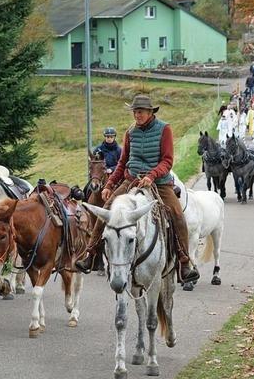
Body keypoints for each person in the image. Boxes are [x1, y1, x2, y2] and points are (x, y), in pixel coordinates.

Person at [83, 95, 199, 284]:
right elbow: (122, 163)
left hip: (159, 182)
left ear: (150, 112)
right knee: (108, 209)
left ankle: (184, 262)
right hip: (131, 180)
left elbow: (168, 160)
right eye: (135, 112)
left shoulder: (164, 129)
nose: (137, 115)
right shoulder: (130, 132)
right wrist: (110, 185)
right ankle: (91, 253)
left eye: (140, 112)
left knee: (177, 213)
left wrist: (152, 175)